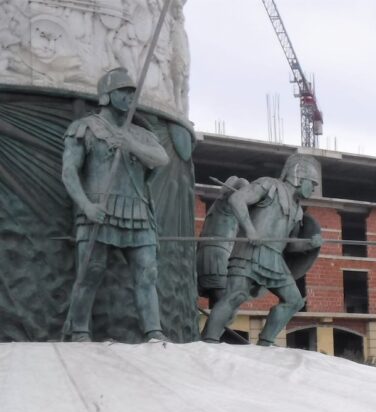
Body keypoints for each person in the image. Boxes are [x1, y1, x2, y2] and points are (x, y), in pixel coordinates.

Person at [62, 67, 170, 342]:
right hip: (98, 210)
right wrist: (85, 206)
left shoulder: (140, 134)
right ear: (106, 96)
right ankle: (79, 332)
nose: (129, 98)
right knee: (90, 272)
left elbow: (162, 159)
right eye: (123, 92)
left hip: (137, 211)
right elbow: (69, 172)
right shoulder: (85, 127)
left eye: (132, 93)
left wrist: (130, 145)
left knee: (148, 273)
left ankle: (154, 333)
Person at [201, 154, 322, 346]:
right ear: (299, 177)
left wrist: (309, 244)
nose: (313, 189)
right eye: (312, 184)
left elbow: (289, 244)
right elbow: (237, 199)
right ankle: (209, 340)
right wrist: (250, 230)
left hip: (274, 258)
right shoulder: (269, 185)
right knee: (235, 295)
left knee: (294, 301)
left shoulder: (298, 209)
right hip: (249, 251)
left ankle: (266, 342)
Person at [196, 176, 249, 307]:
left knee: (218, 301)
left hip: (208, 253)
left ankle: (217, 326)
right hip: (217, 256)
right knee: (225, 303)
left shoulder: (219, 204)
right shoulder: (230, 204)